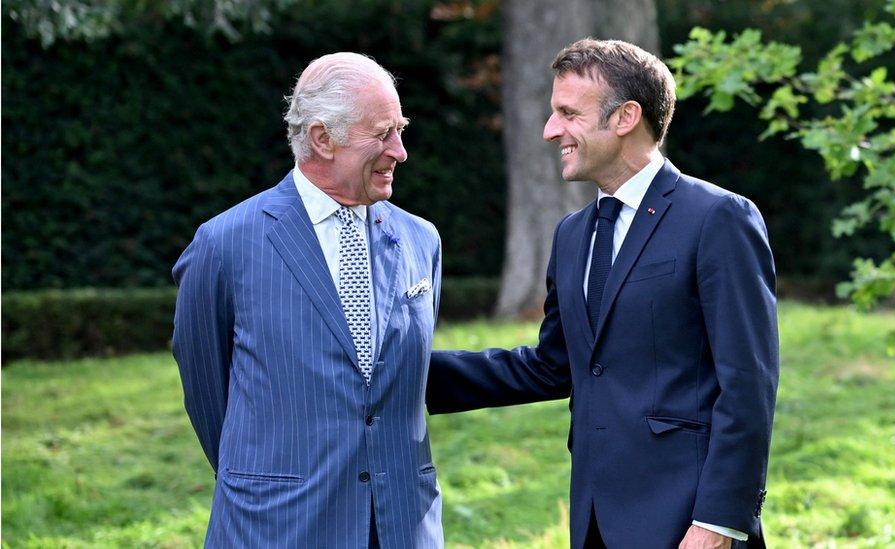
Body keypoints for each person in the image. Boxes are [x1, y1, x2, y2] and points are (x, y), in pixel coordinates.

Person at [427, 38, 778, 549]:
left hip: (689, 522)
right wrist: (405, 374)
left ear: (625, 117)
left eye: (568, 114)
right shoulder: (572, 234)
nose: (552, 131)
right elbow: (554, 366)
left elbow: (748, 382)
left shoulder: (718, 218)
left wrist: (719, 520)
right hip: (594, 520)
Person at [172, 52, 443, 548]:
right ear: (322, 139)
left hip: (403, 524)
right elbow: (207, 389)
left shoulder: (421, 240)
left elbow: (403, 375)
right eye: (383, 133)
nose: (400, 151)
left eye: (401, 129)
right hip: (277, 527)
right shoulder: (225, 243)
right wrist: (262, 482)